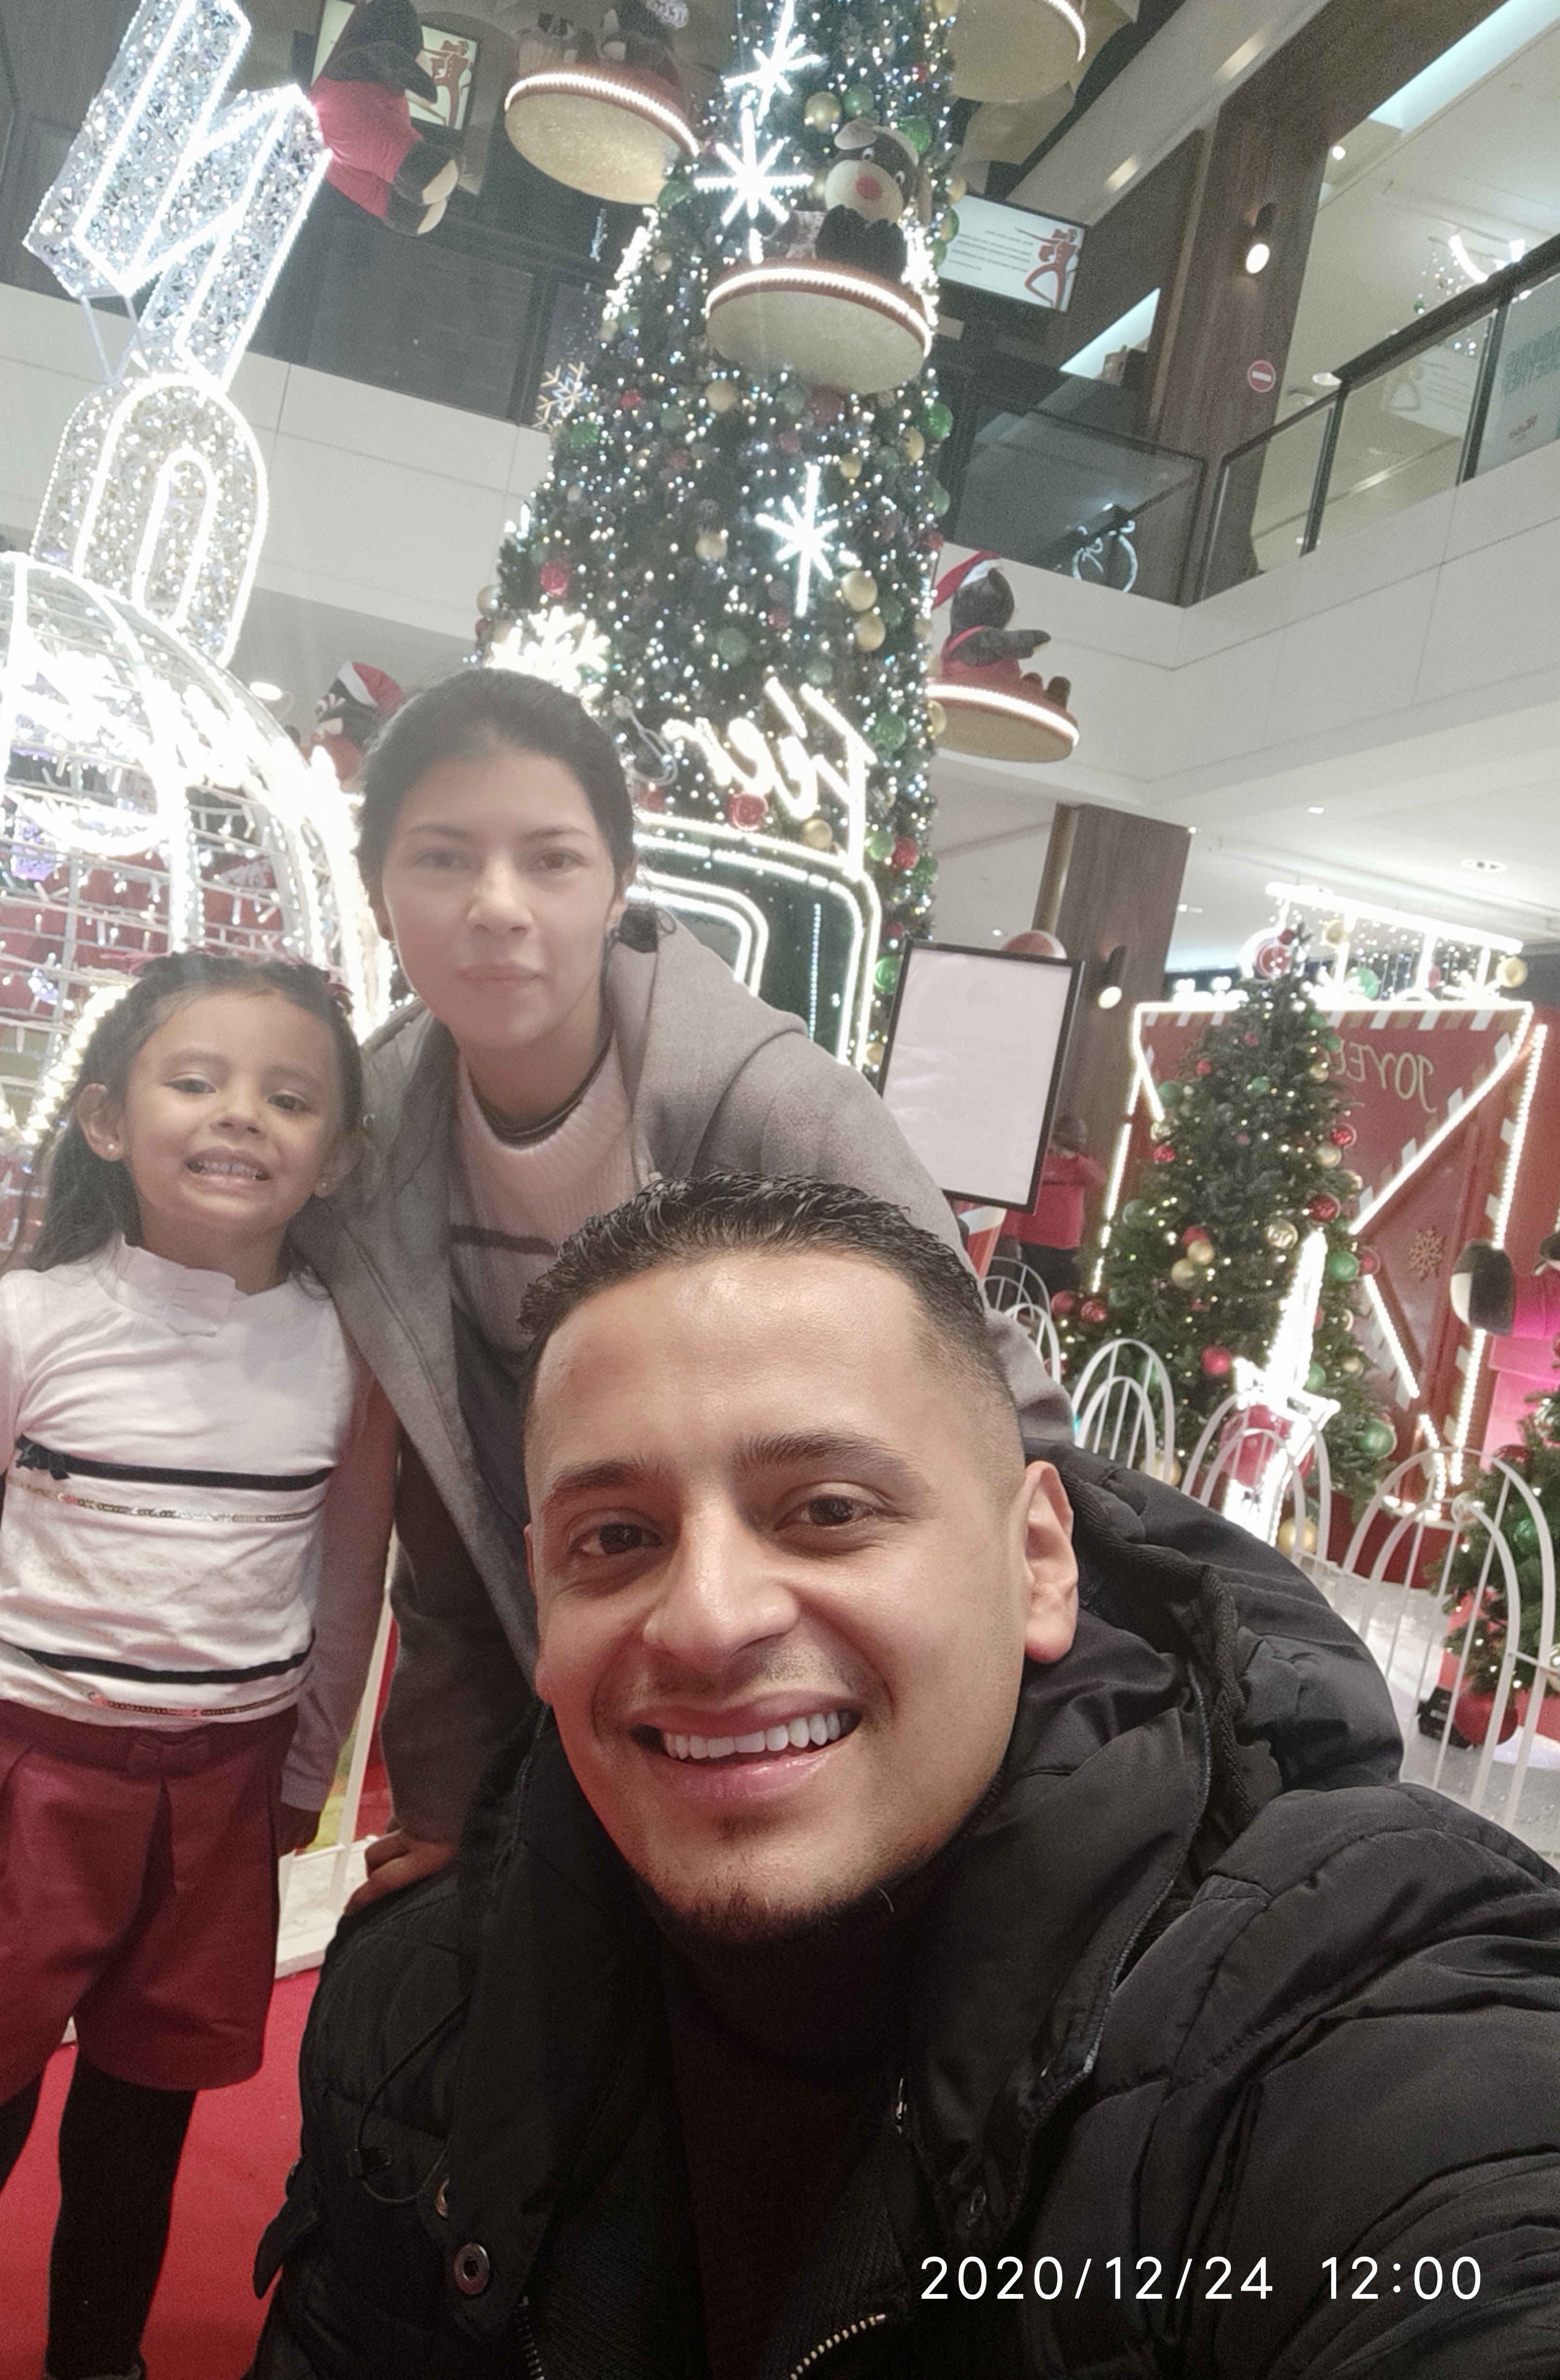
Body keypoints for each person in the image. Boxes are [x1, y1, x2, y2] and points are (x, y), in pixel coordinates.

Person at [251, 1176, 1560, 2380]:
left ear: (1037, 1560)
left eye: (828, 1509)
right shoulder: (425, 2013)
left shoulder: (1321, 2017)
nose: (706, 1620)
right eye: (619, 1535)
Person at [306, 669, 1072, 1907]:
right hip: (599, 1691)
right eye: (441, 859)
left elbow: (992, 1407)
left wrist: (1009, 1760)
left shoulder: (774, 1109)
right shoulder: (375, 1142)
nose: (496, 907)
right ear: (378, 888)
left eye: (551, 860)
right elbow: (444, 1513)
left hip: (821, 1690)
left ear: (617, 883)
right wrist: (443, 1795)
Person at [0, 952, 394, 2380]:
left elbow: (343, 1582)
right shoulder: (37, 1317)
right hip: (24, 1781)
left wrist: (306, 1764)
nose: (240, 1114)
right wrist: (20, 1676)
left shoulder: (340, 1354)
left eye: (289, 1097)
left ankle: (98, 2362)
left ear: (337, 1154)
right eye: (195, 1080)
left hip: (221, 1796)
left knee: (141, 2123)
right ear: (103, 1120)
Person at [1001, 1107, 1104, 1301]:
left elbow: (1099, 1180)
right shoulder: (1036, 1162)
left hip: (1069, 1245)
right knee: (1026, 1299)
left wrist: (1075, 1158)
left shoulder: (1080, 1166)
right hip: (1034, 1244)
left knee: (1065, 1303)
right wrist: (1011, 1236)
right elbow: (1018, 1199)